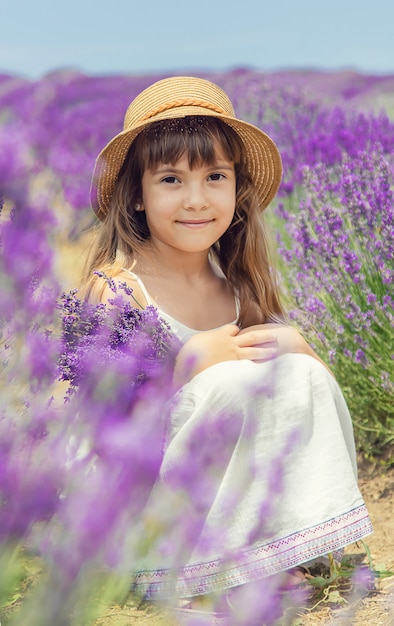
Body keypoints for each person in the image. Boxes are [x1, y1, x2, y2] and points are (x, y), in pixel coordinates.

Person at [81, 76, 372, 620]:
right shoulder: (119, 289)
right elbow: (101, 428)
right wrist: (184, 365)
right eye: (170, 179)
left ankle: (285, 548)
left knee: (301, 373)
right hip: (145, 512)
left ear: (237, 192)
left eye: (215, 176)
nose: (196, 200)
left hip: (230, 503)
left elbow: (289, 404)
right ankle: (190, 571)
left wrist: (299, 347)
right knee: (231, 380)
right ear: (137, 196)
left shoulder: (236, 284)